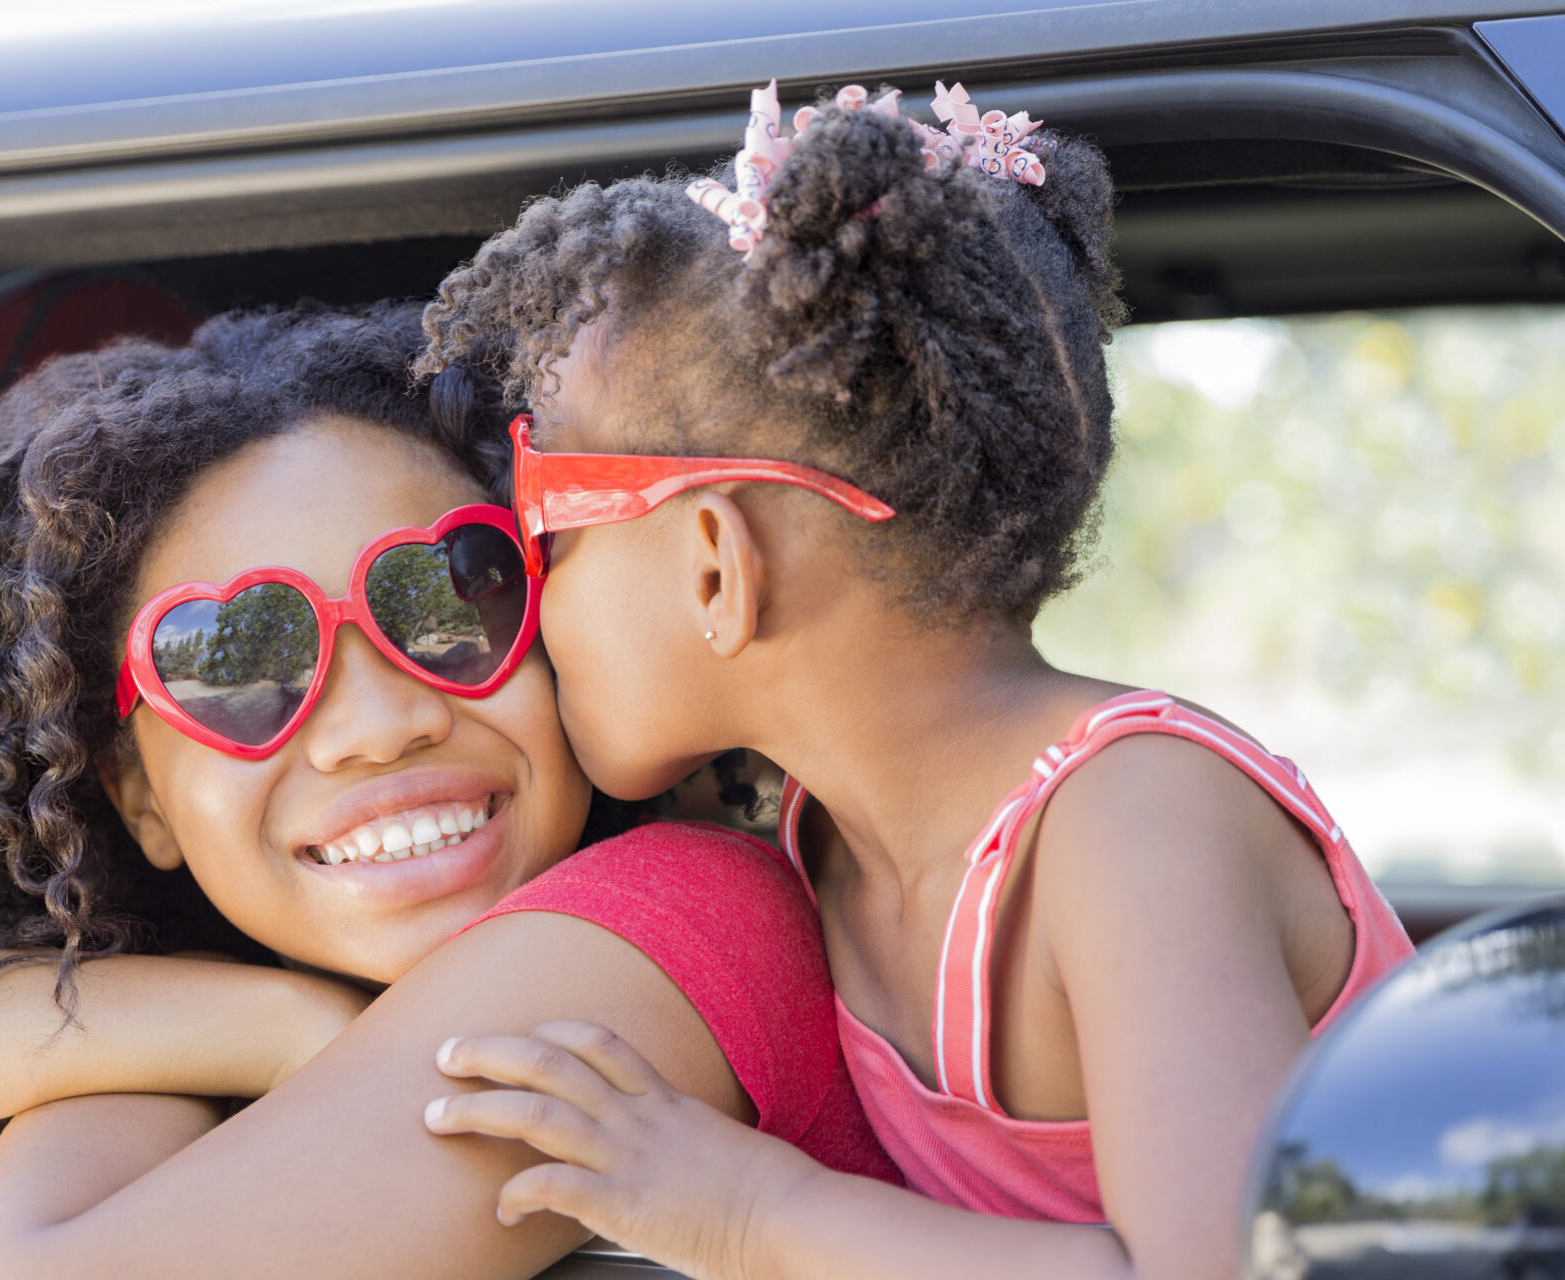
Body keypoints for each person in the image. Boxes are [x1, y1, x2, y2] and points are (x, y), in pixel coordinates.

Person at [0, 302, 892, 1279]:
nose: (378, 726)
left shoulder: (686, 914)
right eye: (240, 657)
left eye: (447, 597)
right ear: (139, 798)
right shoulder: (248, 1002)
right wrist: (263, 1023)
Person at [410, 81, 1417, 1280]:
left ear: (716, 568)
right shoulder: (814, 836)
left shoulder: (1127, 819)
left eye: (544, 528)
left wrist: (752, 1215)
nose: (521, 597)